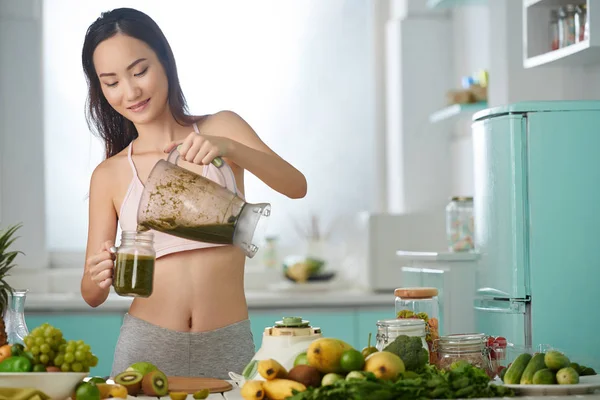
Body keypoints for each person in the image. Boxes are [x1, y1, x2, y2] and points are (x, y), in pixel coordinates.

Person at [79, 8, 307, 379]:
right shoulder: (109, 173)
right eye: (112, 82)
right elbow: (92, 294)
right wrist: (98, 273)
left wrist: (230, 149)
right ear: (101, 90)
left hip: (227, 341)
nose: (131, 91)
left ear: (165, 61)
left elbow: (296, 186)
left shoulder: (221, 127)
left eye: (139, 71)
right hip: (145, 347)